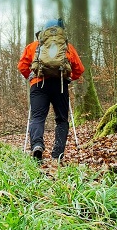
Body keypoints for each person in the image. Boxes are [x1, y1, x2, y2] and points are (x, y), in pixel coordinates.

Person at [18, 18, 85, 162]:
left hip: (38, 84)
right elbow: (79, 69)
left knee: (37, 117)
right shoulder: (67, 47)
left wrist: (31, 77)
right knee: (61, 119)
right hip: (59, 85)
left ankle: (37, 145)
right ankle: (57, 154)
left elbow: (22, 66)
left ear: (43, 32)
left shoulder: (34, 46)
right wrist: (69, 77)